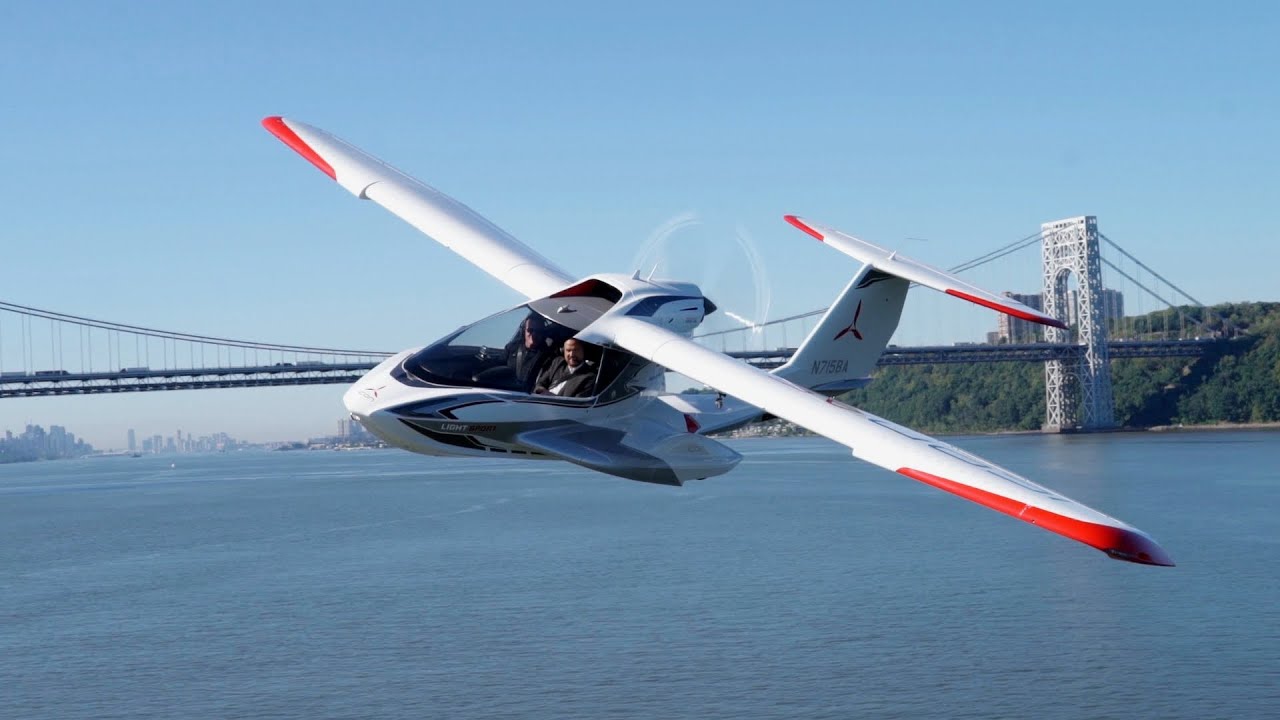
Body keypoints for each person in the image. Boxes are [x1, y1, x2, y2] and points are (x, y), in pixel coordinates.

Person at [506, 315, 553, 391]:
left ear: (543, 334)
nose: (534, 334)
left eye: (539, 331)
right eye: (530, 330)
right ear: (523, 331)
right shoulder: (512, 348)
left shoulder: (548, 356)